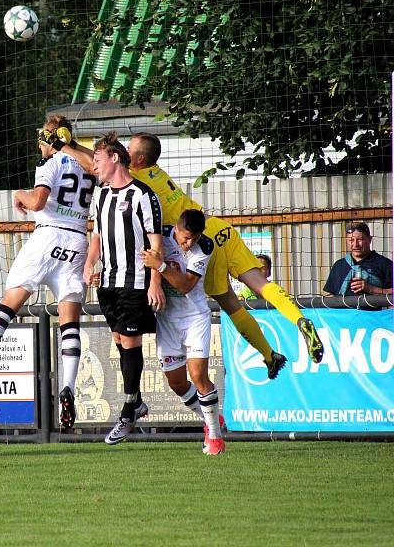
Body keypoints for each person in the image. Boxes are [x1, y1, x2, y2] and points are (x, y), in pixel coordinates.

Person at [60, 132, 320, 376]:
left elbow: (98, 164)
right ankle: (294, 326)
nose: (125, 152)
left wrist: (64, 146)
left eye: (129, 150)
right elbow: (104, 158)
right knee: (258, 286)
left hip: (194, 241)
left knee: (229, 303)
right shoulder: (156, 172)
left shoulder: (138, 182)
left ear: (137, 159)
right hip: (218, 228)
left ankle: (268, 354)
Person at [0, 114, 96, 431]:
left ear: (49, 138)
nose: (38, 144)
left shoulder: (50, 164)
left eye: (41, 138)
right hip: (77, 240)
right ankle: (68, 386)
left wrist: (20, 195)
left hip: (48, 236)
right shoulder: (87, 165)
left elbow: (39, 201)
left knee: (9, 305)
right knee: (70, 318)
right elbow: (96, 165)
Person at [81, 132, 164, 445]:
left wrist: (155, 280)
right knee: (119, 338)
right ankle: (137, 400)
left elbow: (156, 243)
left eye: (98, 160)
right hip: (109, 281)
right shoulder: (101, 196)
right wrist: (91, 264)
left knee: (130, 340)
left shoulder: (143, 195)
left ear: (114, 158)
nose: (94, 167)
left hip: (135, 281)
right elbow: (99, 237)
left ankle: (128, 412)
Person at [142, 209, 225, 455]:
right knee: (177, 383)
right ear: (176, 229)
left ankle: (215, 437)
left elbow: (187, 285)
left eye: (194, 238)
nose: (189, 243)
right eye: (186, 238)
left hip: (194, 317)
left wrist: (162, 266)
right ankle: (211, 418)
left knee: (198, 375)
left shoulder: (205, 246)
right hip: (167, 319)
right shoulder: (161, 236)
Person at [324, 222, 393, 297]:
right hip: (343, 309)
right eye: (351, 240)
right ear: (346, 241)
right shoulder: (338, 266)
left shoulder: (385, 264)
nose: (355, 245)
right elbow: (332, 295)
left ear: (370, 239)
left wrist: (370, 289)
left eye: (360, 239)